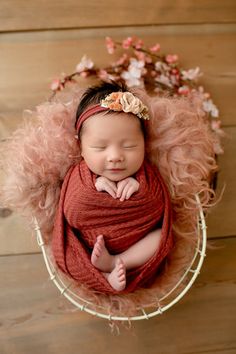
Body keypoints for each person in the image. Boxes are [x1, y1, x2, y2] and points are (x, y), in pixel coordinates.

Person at [52, 81, 173, 294]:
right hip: (91, 246)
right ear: (81, 148)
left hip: (137, 248)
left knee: (161, 238)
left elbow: (159, 208)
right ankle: (102, 274)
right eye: (100, 147)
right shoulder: (80, 175)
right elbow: (72, 214)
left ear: (145, 144)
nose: (115, 156)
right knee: (75, 254)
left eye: (129, 146)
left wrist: (141, 188)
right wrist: (92, 187)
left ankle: (118, 262)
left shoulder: (147, 174)